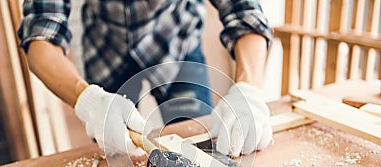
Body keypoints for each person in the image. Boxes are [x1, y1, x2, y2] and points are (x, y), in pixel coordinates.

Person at [18, 0, 273, 158]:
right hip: (107, 48)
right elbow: (41, 34)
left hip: (177, 43)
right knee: (115, 157)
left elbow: (245, 12)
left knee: (205, 149)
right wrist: (87, 99)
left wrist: (248, 89)